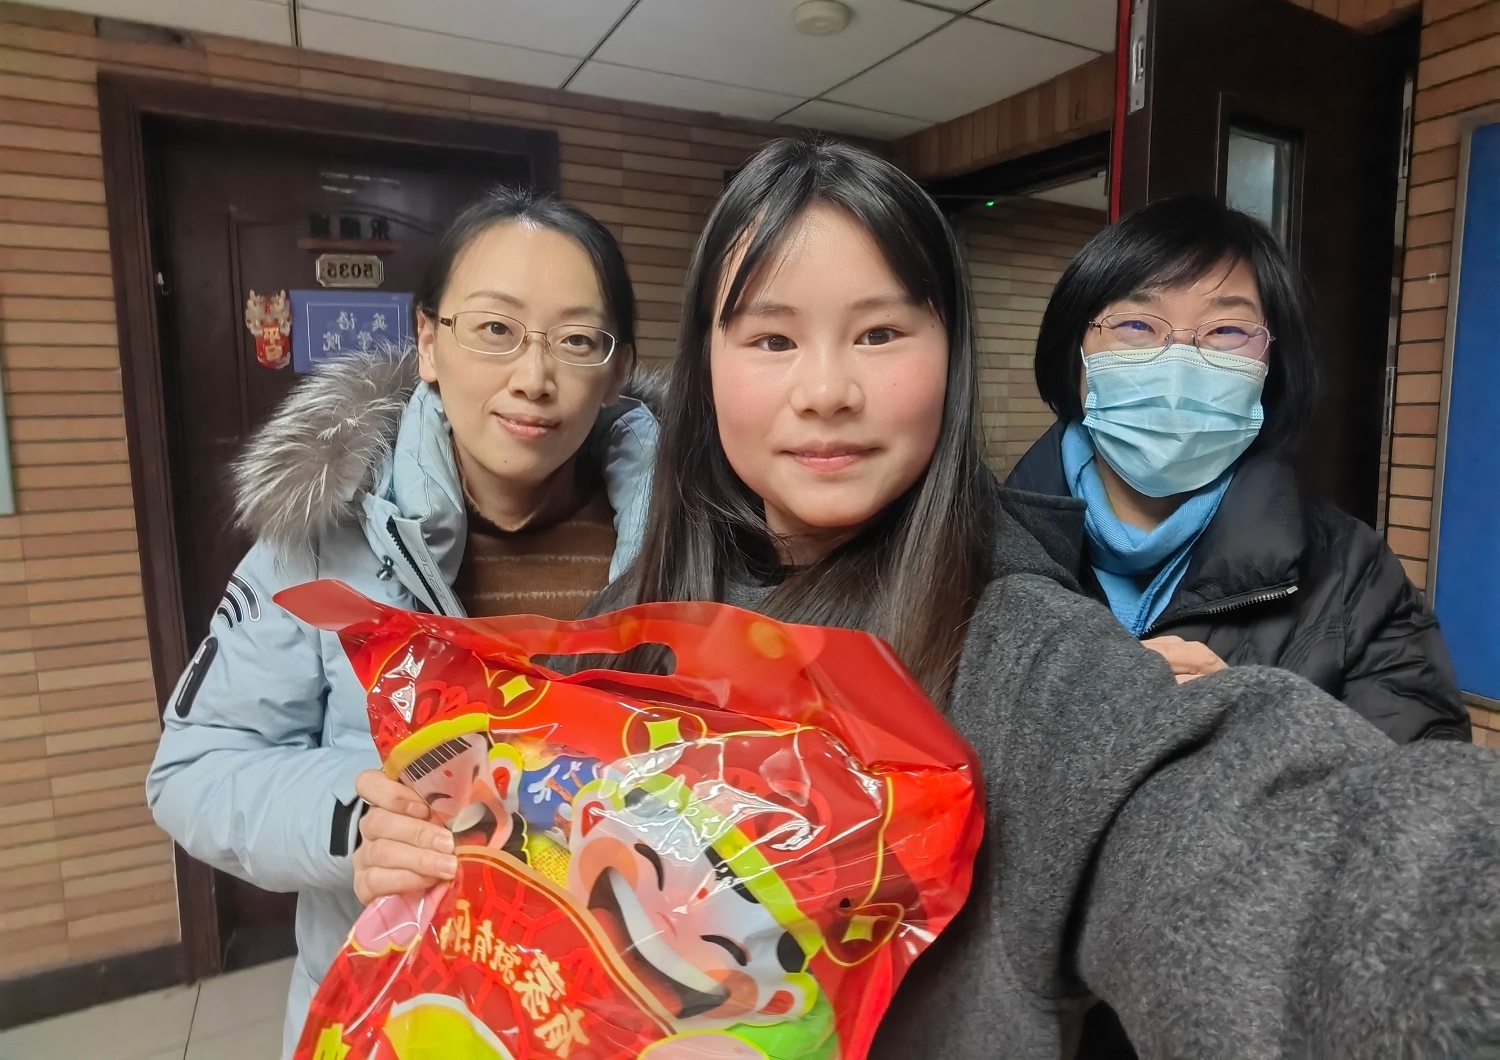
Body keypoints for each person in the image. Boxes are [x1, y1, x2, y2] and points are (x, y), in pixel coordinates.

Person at [351, 141, 1499, 1058]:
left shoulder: (1023, 652)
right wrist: (434, 847)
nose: (828, 389)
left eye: (881, 332)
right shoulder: (640, 613)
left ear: (950, 354)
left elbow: (1302, 885)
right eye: (771, 336)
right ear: (704, 363)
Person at [145, 187, 661, 1058]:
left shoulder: (686, 540)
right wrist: (357, 819)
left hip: (620, 1011)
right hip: (392, 1012)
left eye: (577, 340)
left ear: (616, 368)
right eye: (494, 329)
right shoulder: (322, 534)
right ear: (428, 340)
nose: (533, 377)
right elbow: (194, 767)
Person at [1005, 194, 1469, 747]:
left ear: (1271, 365)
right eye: (1135, 323)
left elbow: (1423, 775)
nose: (1178, 363)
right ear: (1074, 351)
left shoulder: (1352, 575)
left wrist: (1255, 737)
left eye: (1226, 330)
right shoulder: (973, 550)